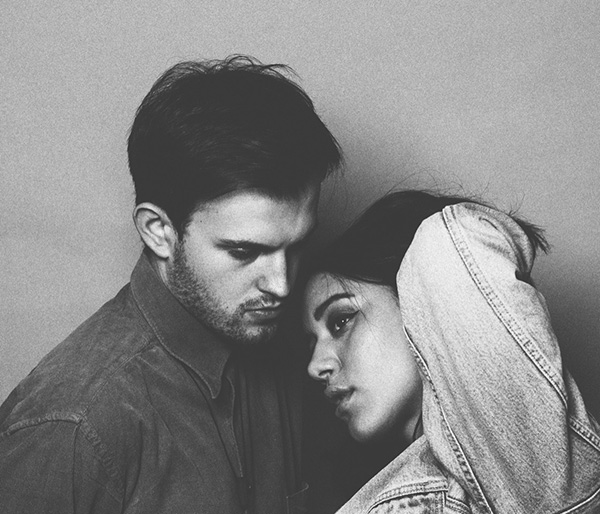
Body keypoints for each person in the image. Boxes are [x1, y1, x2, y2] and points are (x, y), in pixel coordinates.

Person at [0, 55, 341, 513]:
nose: (281, 285)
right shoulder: (74, 429)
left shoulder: (292, 353)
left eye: (297, 246)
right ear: (159, 231)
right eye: (244, 252)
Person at [302, 190, 600, 513]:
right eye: (310, 343)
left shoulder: (530, 474)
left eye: (340, 321)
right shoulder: (400, 484)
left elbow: (444, 244)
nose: (315, 366)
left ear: (415, 296)